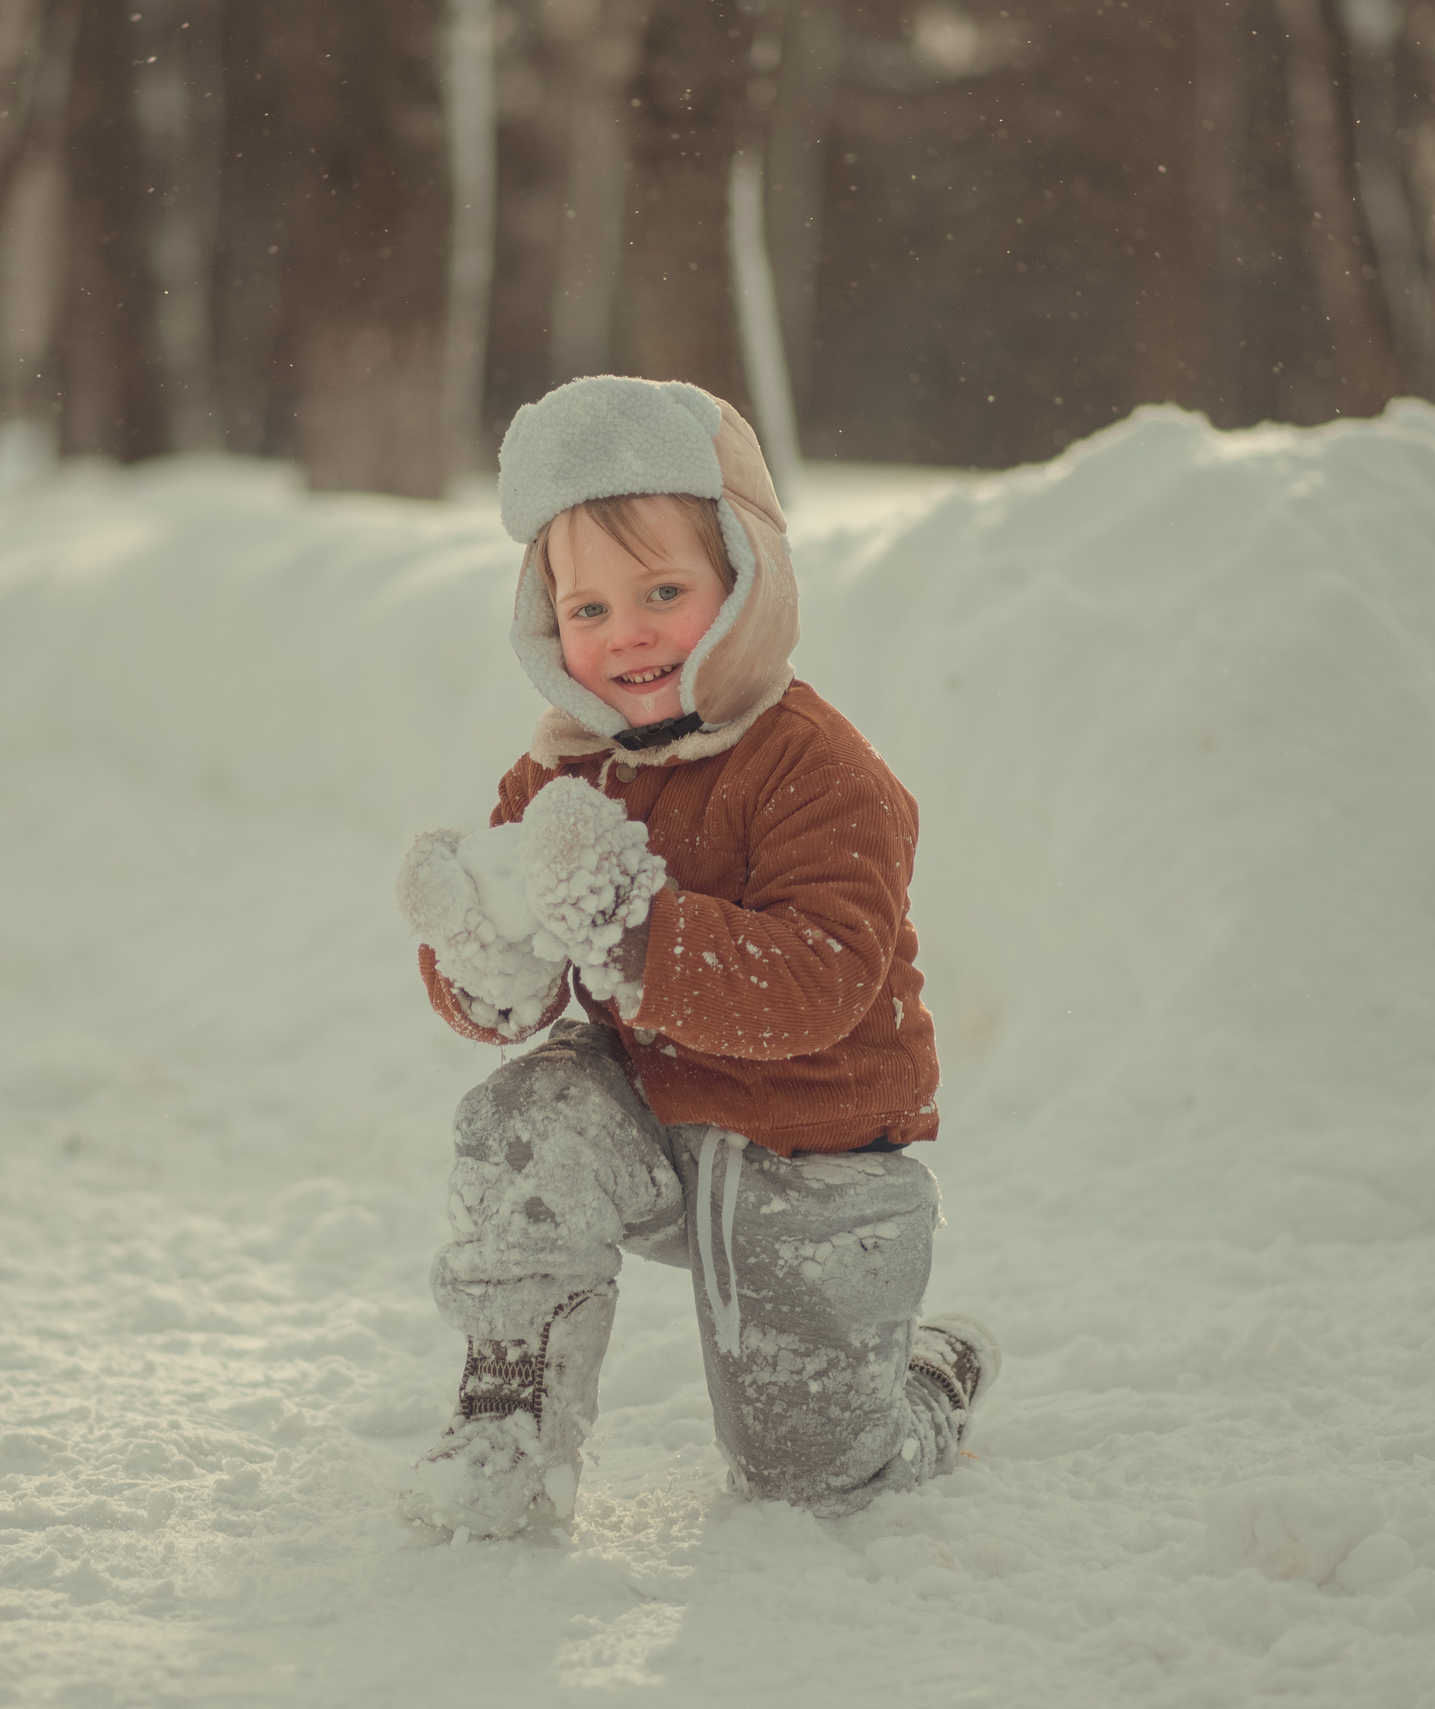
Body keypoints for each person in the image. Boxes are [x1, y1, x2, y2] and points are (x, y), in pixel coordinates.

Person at [393, 374, 996, 1538]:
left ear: (745, 581)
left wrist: (634, 924)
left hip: (813, 1159)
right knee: (528, 1112)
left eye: (662, 591)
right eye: (587, 607)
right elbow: (521, 966)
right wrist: (484, 956)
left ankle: (924, 1380)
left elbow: (818, 984)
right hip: (651, 1125)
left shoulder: (818, 768)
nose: (624, 632)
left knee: (809, 1483)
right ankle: (508, 1419)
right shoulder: (565, 766)